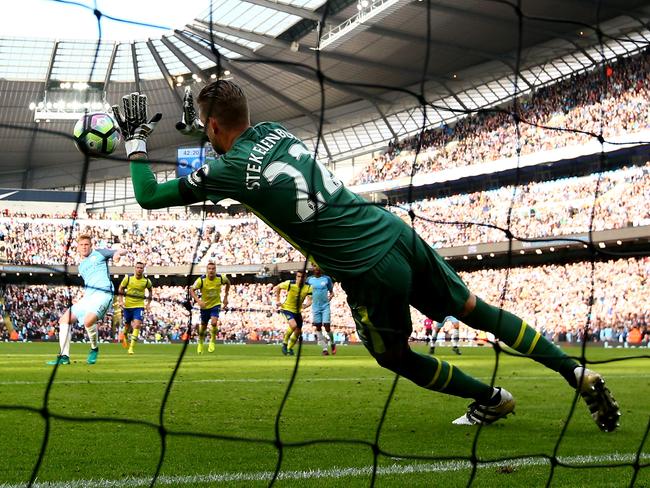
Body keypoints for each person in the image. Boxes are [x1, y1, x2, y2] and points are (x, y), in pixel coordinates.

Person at [115, 84, 620, 430]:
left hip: (365, 266)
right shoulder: (274, 131)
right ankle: (575, 372)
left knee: (393, 356)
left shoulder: (227, 171)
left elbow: (147, 196)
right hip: (393, 231)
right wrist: (198, 130)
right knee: (475, 310)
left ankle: (491, 399)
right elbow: (233, 144)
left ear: (213, 125)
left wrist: (138, 141)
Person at [47, 234, 127, 365]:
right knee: (63, 320)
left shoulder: (99, 253)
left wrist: (117, 254)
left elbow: (123, 251)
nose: (84, 247)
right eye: (81, 245)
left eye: (86, 245)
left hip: (104, 294)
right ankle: (64, 357)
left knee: (88, 321)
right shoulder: (81, 266)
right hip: (88, 297)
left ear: (91, 246)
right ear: (78, 247)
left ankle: (94, 349)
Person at [189, 262, 230, 354]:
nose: (211, 270)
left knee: (214, 322)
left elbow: (228, 283)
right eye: (209, 269)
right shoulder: (201, 280)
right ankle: (200, 342)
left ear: (215, 270)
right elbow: (191, 289)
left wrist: (226, 297)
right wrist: (198, 301)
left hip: (216, 304)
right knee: (203, 326)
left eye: (213, 269)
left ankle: (212, 340)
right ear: (207, 270)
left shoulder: (220, 278)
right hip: (205, 306)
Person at [273, 270, 312, 356]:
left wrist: (306, 305)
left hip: (297, 312)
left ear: (305, 278)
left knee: (298, 332)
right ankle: (284, 343)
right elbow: (277, 287)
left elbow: (310, 300)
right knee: (293, 325)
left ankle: (289, 348)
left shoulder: (308, 287)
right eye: (298, 276)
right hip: (286, 309)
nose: (300, 279)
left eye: (302, 277)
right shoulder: (290, 284)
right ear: (296, 277)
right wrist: (277, 300)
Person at [118, 261, 153, 355]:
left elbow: (150, 291)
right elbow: (120, 288)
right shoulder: (128, 279)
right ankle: (124, 334)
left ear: (143, 269)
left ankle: (131, 348)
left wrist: (148, 303)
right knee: (127, 325)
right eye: (137, 267)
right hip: (128, 306)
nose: (139, 269)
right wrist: (121, 300)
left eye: (141, 268)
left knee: (137, 325)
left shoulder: (146, 281)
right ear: (135, 268)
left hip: (139, 306)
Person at [306, 265, 336, 355]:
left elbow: (331, 292)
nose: (317, 269)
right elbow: (307, 292)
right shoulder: (309, 280)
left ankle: (333, 342)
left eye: (318, 267)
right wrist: (307, 302)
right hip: (315, 307)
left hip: (325, 306)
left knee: (327, 326)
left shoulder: (327, 279)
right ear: (313, 268)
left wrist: (331, 296)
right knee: (318, 326)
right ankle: (324, 348)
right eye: (315, 267)